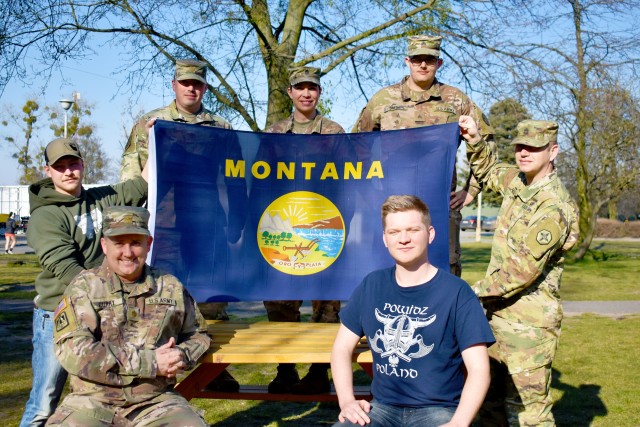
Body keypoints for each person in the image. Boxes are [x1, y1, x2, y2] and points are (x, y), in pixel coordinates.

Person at [119, 59, 240, 392]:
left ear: (204, 87)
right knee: (157, 297)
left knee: (211, 298)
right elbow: (130, 175)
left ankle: (215, 367)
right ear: (173, 84)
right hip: (163, 225)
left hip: (207, 224)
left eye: (198, 83)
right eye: (185, 82)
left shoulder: (220, 127)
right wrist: (130, 223)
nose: (191, 88)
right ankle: (153, 366)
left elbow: (236, 175)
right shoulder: (151, 123)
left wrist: (237, 220)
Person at [331, 195, 495, 427]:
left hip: (438, 411)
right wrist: (346, 401)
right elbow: (341, 347)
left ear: (430, 234)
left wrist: (459, 422)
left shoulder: (457, 292)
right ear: (385, 239)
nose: (404, 239)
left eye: (413, 230)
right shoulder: (372, 285)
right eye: (394, 232)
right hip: (380, 409)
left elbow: (478, 369)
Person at [459, 116, 579, 426]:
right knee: (488, 402)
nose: (524, 153)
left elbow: (521, 270)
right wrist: (474, 139)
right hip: (495, 316)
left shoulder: (553, 206)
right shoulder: (518, 182)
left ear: (552, 152)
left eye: (533, 148)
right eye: (520, 147)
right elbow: (488, 171)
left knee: (528, 413)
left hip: (529, 325)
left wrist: (470, 293)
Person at [20, 137, 148, 426]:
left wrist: (154, 137)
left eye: (73, 164)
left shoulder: (99, 199)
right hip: (58, 315)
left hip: (98, 312)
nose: (68, 172)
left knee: (98, 398)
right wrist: (115, 297)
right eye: (60, 167)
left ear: (83, 166)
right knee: (44, 401)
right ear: (48, 170)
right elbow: (68, 271)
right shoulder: (45, 216)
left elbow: (143, 185)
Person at [46, 206, 211, 426]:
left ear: (148, 244)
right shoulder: (84, 288)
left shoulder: (169, 286)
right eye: (119, 243)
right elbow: (75, 352)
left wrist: (182, 355)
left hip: (155, 401)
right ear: (104, 245)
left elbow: (199, 334)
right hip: (92, 401)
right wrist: (151, 362)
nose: (128, 252)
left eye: (135, 243)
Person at [352, 35, 495, 278]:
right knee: (387, 269)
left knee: (444, 271)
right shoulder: (383, 99)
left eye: (430, 59)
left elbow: (485, 140)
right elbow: (357, 145)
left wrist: (471, 189)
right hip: (392, 205)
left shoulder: (456, 100)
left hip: (440, 204)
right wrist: (369, 188)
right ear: (407, 61)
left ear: (439, 63)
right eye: (417, 59)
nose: (423, 65)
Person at [262, 66, 346, 394]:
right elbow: (260, 180)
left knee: (326, 306)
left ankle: (319, 371)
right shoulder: (274, 134)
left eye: (312, 87)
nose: (306, 93)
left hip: (326, 228)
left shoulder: (335, 133)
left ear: (319, 92)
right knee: (281, 304)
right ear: (290, 92)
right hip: (283, 227)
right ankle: (286, 370)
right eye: (300, 88)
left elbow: (351, 179)